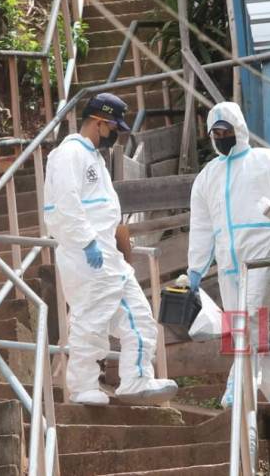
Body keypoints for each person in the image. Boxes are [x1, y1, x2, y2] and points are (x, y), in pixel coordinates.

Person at [44, 93, 178, 405]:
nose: (116, 134)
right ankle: (82, 387)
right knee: (90, 319)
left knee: (139, 317)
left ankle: (136, 380)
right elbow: (65, 203)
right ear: (100, 123)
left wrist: (114, 248)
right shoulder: (69, 155)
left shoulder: (95, 158)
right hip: (85, 253)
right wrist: (87, 241)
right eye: (114, 127)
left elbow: (106, 211)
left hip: (107, 256)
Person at [187, 101, 270, 406]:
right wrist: (195, 268)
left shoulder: (264, 160)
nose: (220, 136)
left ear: (239, 129)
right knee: (254, 329)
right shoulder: (207, 176)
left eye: (225, 130)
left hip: (264, 254)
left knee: (249, 321)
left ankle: (238, 389)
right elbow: (202, 225)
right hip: (229, 262)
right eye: (214, 132)